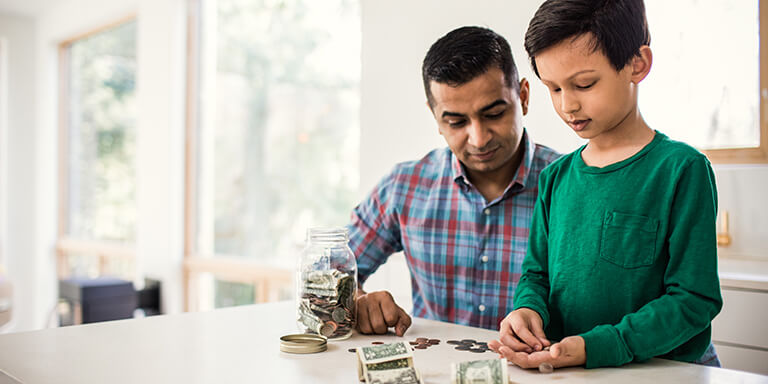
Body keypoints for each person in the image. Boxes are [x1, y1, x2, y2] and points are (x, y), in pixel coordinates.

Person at [489, 0, 722, 369]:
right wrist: (526, 309)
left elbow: (694, 300)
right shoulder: (555, 178)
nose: (568, 106)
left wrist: (598, 345)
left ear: (637, 64)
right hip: (571, 369)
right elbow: (536, 276)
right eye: (553, 89)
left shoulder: (682, 169)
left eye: (584, 84)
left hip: (665, 372)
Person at [348, 26, 560, 336]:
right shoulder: (403, 187)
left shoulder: (568, 185)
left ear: (524, 97)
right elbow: (330, 273)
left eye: (494, 113)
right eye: (456, 121)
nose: (478, 138)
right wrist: (358, 300)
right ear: (435, 117)